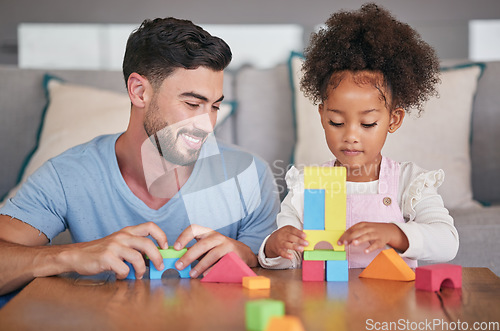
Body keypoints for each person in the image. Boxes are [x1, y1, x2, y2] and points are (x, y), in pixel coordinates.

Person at [0, 17, 279, 295]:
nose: (207, 124)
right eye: (192, 103)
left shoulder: (250, 175)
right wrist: (70, 256)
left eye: (214, 106)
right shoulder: (69, 174)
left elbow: (281, 281)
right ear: (139, 91)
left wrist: (249, 255)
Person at [258, 3, 459, 269]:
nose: (351, 136)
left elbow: (447, 242)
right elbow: (288, 260)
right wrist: (274, 247)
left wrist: (395, 233)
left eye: (367, 123)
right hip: (326, 307)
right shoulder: (308, 185)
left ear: (393, 120)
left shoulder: (410, 182)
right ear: (322, 116)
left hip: (392, 306)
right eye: (336, 122)